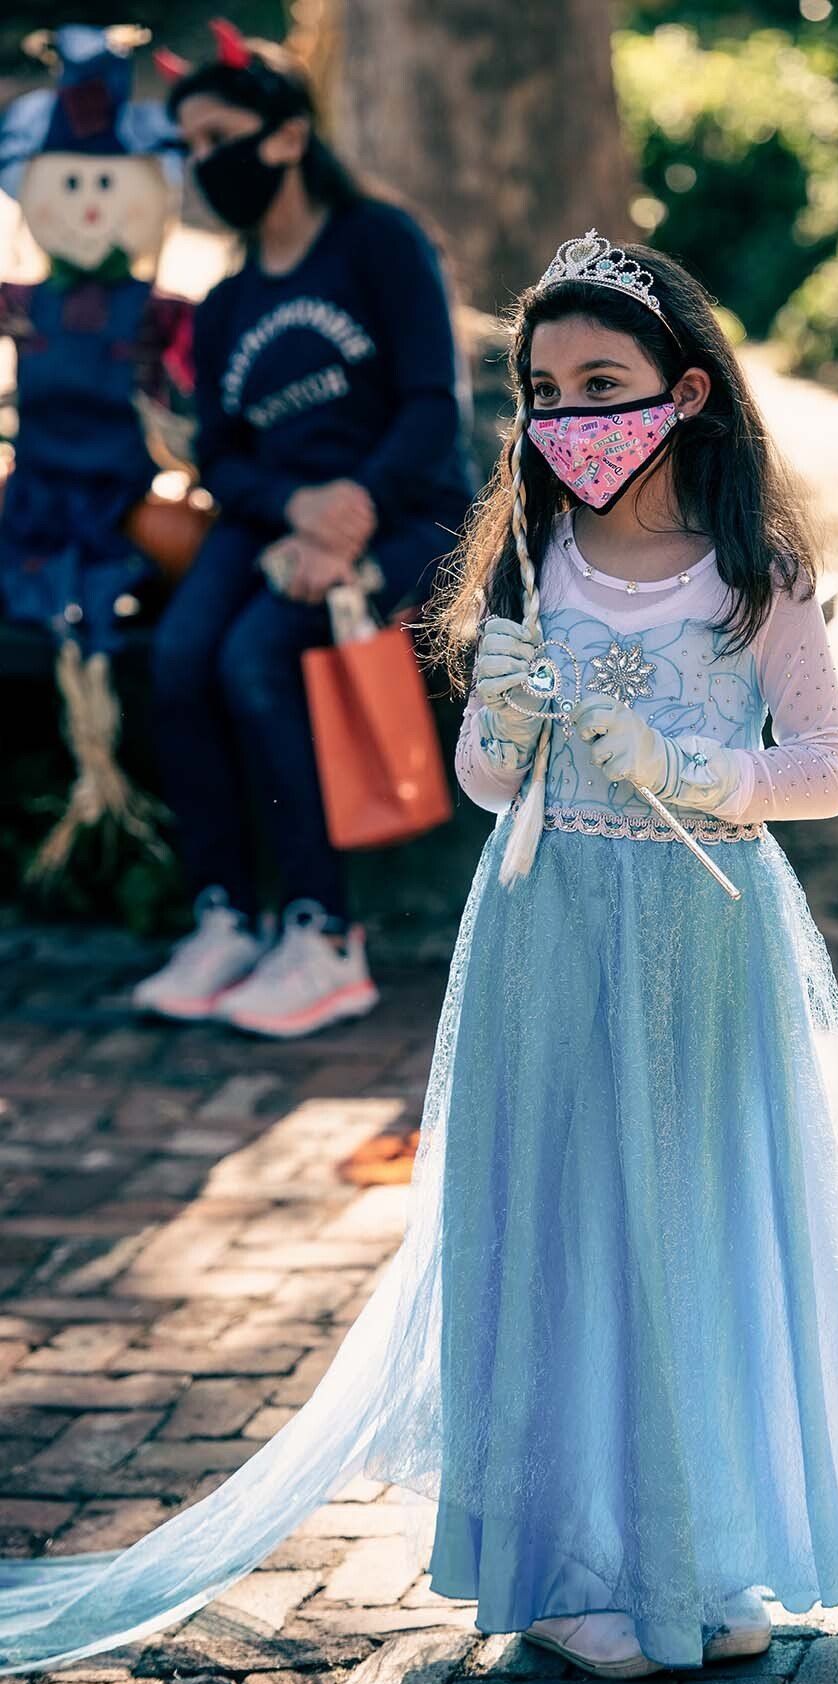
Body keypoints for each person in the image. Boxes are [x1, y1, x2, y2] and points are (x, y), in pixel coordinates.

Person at [0, 232, 838, 1681]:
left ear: (684, 393)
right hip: (548, 929)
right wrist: (501, 721)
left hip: (701, 937)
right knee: (562, 1229)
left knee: (688, 1234)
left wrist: (689, 764)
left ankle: (705, 1551)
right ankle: (571, 1560)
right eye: (542, 390)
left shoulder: (756, 569)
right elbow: (491, 780)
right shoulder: (538, 555)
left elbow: (821, 770)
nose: (566, 419)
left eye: (599, 383)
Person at [132, 26, 473, 1035]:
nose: (202, 162)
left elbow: (428, 403)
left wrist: (350, 512)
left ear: (284, 138)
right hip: (278, 519)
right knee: (181, 652)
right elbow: (223, 454)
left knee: (255, 654)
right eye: (187, 146)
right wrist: (291, 513)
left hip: (404, 509)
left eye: (218, 135)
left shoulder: (379, 243)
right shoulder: (231, 301)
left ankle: (325, 937)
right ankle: (227, 916)